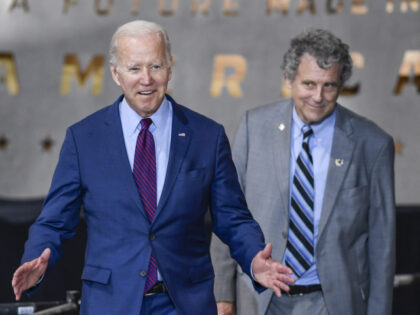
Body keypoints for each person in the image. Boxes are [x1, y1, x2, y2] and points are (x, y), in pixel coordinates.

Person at [11, 20, 295, 315]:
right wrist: (36, 259)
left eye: (155, 67)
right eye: (134, 68)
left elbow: (233, 218)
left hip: (184, 302)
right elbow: (55, 221)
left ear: (170, 68)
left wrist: (252, 258)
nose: (146, 79)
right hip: (111, 302)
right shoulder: (84, 139)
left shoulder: (206, 136)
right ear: (115, 73)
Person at [211, 28, 396, 315]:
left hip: (333, 303)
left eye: (329, 85)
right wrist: (223, 298)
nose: (318, 96)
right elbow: (227, 215)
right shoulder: (254, 127)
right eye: (309, 83)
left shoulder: (372, 144)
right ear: (289, 80)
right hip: (261, 300)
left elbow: (382, 248)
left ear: (341, 85)